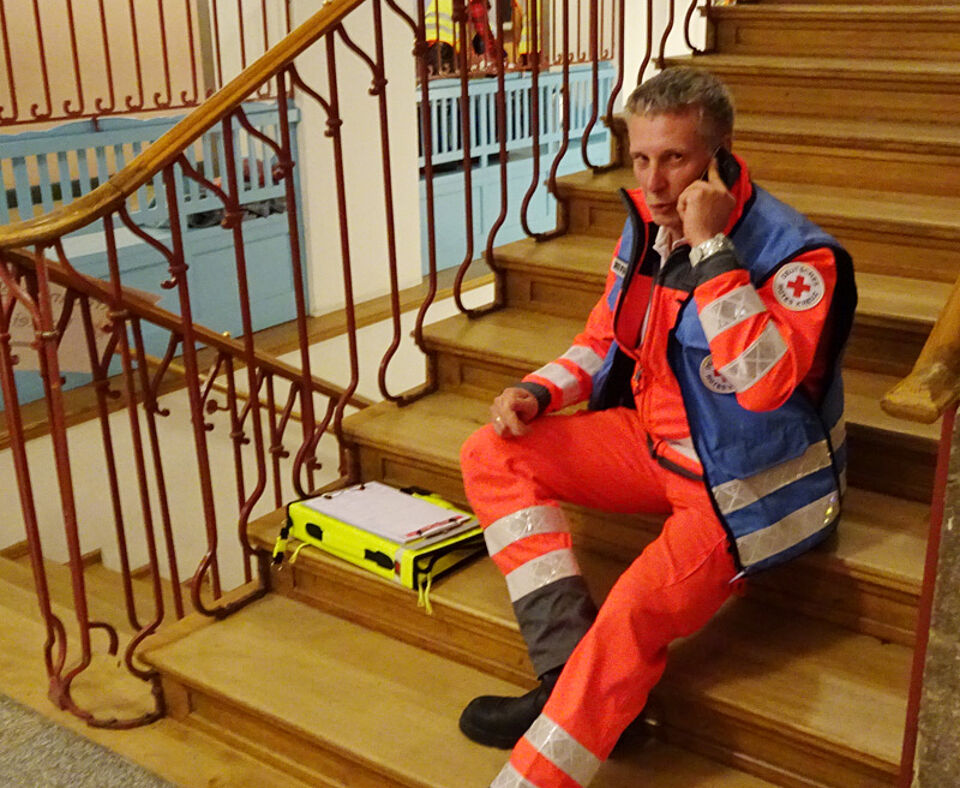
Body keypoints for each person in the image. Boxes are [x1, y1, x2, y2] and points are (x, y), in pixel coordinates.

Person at [457, 66, 857, 787]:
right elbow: (602, 339)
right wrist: (537, 391)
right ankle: (564, 675)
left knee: (630, 613)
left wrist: (712, 252)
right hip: (654, 441)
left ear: (719, 156)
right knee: (493, 452)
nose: (654, 183)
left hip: (740, 485)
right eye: (641, 159)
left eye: (674, 158)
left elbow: (763, 385)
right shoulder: (645, 226)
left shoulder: (800, 255)